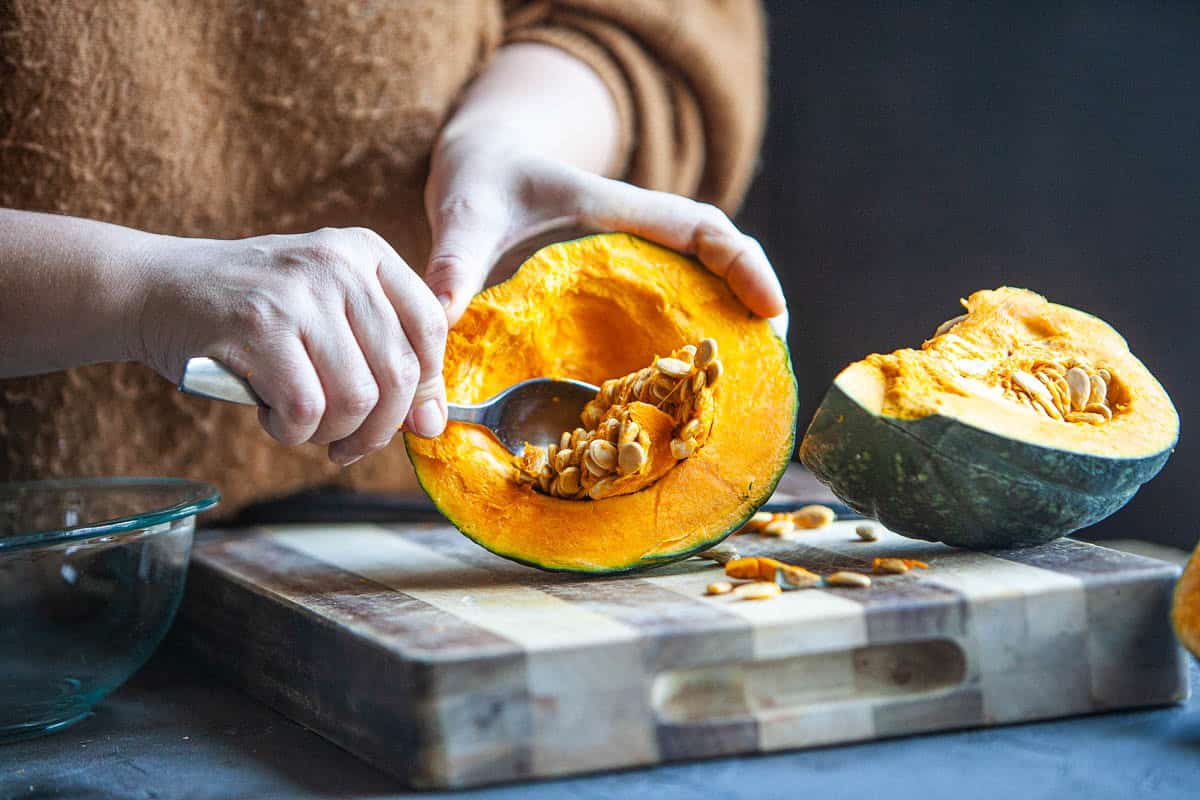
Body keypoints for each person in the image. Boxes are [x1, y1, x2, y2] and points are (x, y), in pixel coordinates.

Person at [0, 1, 785, 512]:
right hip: (38, 587)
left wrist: (505, 136)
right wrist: (135, 291)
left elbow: (626, 24)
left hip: (390, 552)